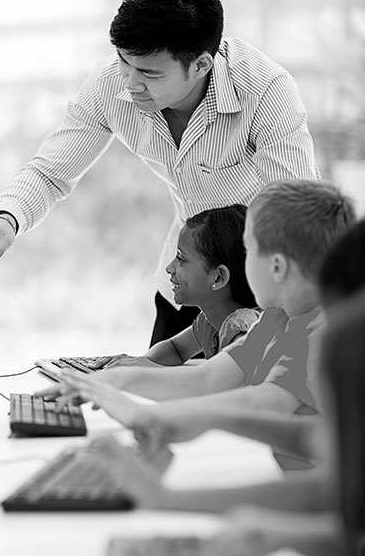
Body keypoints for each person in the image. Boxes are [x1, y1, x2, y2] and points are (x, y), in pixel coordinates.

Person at [0, 0, 319, 348]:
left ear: (201, 65)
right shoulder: (112, 84)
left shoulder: (265, 91)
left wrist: (272, 310)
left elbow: (293, 220)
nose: (130, 82)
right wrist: (7, 218)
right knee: (152, 385)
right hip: (189, 282)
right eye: (124, 61)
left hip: (262, 286)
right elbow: (51, 171)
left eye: (149, 73)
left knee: (236, 399)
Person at [45, 179, 356, 470]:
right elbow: (208, 379)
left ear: (275, 266)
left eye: (249, 251)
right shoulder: (275, 319)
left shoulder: (324, 334)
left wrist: (147, 414)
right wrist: (115, 381)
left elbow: (262, 402)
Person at [98, 204, 259, 368]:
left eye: (181, 258)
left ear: (218, 278)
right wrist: (141, 362)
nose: (169, 268)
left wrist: (149, 372)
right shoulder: (211, 322)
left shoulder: (243, 329)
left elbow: (210, 380)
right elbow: (175, 349)